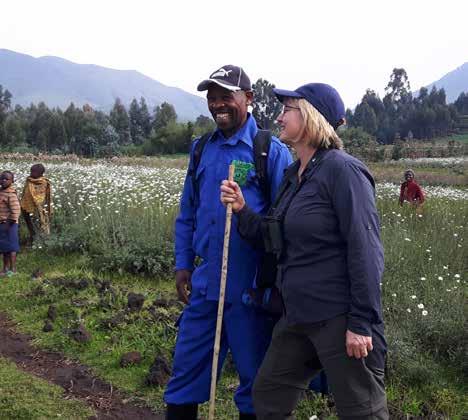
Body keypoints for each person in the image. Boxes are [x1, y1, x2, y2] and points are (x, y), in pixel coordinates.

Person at [221, 83, 389, 419]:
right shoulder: (293, 174)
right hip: (296, 317)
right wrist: (241, 208)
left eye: (288, 109)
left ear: (311, 117)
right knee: (268, 394)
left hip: (338, 318)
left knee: (362, 411)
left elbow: (366, 249)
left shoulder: (343, 171)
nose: (279, 117)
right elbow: (274, 235)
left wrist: (360, 322)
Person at [164, 65, 292, 420]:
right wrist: (183, 264)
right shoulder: (201, 149)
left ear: (248, 99)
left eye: (226, 97)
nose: (218, 105)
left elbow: (284, 224)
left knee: (256, 386)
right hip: (205, 287)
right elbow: (187, 212)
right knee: (185, 376)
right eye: (212, 98)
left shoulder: (269, 151)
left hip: (251, 289)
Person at [20, 163, 53, 244]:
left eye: (33, 172)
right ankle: (33, 238)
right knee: (30, 224)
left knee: (40, 224)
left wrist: (41, 204)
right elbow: (25, 192)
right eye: (31, 171)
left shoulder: (44, 182)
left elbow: (46, 195)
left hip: (40, 208)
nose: (31, 173)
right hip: (27, 207)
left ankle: (42, 240)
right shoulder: (28, 180)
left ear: (40, 173)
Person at [0, 171, 21, 277]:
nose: (3, 181)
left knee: (12, 248)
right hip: (3, 224)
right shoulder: (2, 192)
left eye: (6, 179)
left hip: (9, 225)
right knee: (4, 248)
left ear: (12, 181)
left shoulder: (11, 194)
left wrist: (8, 224)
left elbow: (16, 211)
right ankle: (5, 269)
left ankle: (13, 269)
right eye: (1, 178)